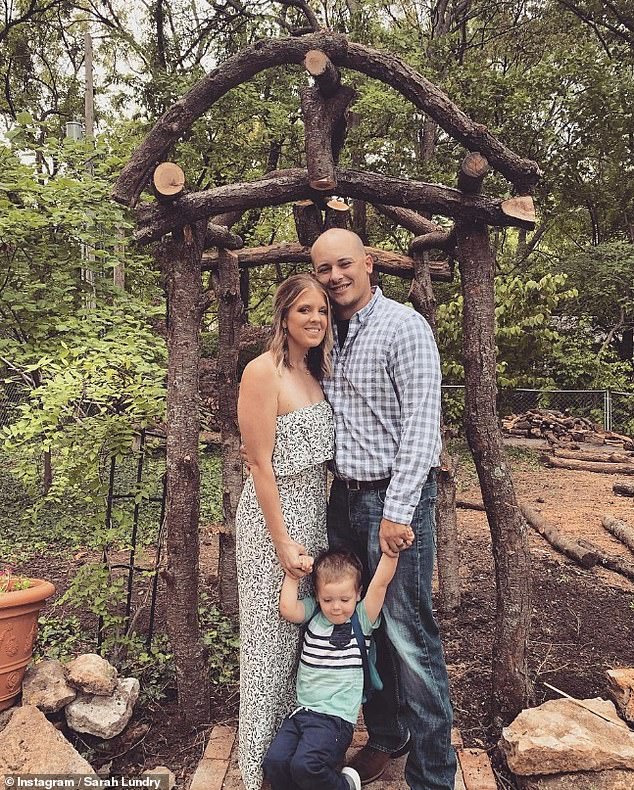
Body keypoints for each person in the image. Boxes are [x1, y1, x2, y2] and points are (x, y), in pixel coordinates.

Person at [311, 228, 456, 790]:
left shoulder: (404, 327)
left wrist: (398, 511)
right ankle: (387, 736)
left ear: (368, 262)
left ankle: (432, 774)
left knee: (409, 633)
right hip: (342, 500)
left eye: (344, 264)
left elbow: (422, 427)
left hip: (394, 502)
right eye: (324, 269)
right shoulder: (328, 334)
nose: (335, 276)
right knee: (360, 625)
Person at [235, 273, 335, 790]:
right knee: (267, 650)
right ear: (283, 316)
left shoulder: (316, 373)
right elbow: (258, 464)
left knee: (301, 646)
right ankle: (255, 774)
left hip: (312, 519)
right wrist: (281, 545)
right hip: (271, 526)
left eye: (321, 309)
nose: (316, 318)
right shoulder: (262, 372)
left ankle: (289, 762)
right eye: (304, 310)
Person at [263, 549, 399, 790]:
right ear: (317, 596)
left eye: (344, 600)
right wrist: (293, 576)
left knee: (306, 765)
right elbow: (287, 609)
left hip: (335, 718)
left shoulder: (361, 618)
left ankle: (344, 786)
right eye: (328, 600)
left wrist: (391, 553)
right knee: (275, 762)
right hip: (302, 712)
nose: (336, 607)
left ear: (358, 594)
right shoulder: (314, 613)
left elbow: (380, 585)